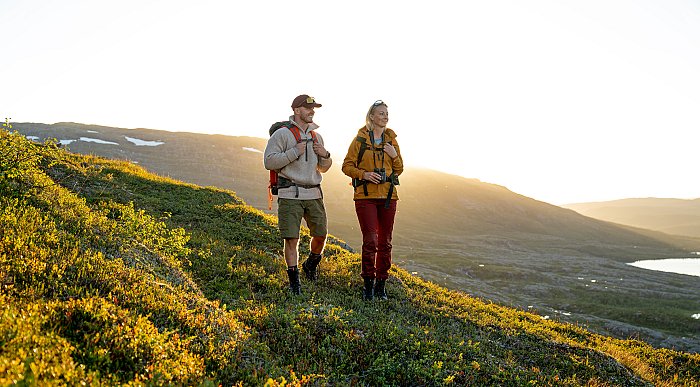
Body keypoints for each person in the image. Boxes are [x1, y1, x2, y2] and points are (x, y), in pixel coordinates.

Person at [264, 94, 332, 295]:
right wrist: (294, 151)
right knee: (291, 239)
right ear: (296, 110)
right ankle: (295, 284)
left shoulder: (316, 137)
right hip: (290, 194)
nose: (312, 111)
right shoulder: (282, 135)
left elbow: (324, 168)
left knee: (320, 235)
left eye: (313, 108)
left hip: (313, 194)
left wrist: (325, 155)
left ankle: (310, 265)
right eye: (307, 108)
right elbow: (269, 162)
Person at [342, 100, 403, 300]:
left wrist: (394, 156)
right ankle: (368, 285)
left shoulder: (392, 141)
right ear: (372, 117)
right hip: (365, 197)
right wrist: (364, 175)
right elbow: (346, 166)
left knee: (385, 242)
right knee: (370, 241)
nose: (385, 116)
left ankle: (381, 286)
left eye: (387, 113)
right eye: (381, 113)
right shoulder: (359, 140)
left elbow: (399, 169)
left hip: (388, 197)